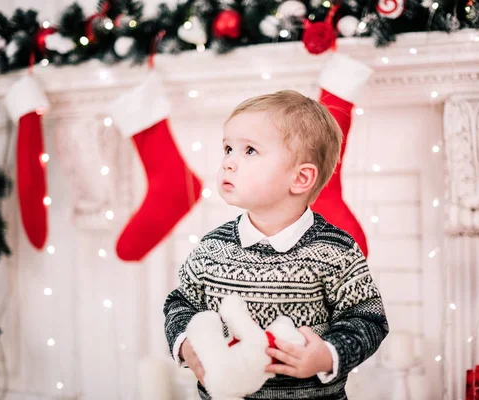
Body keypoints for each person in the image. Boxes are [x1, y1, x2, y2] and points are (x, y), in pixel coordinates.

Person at [164, 60, 388, 400]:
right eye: (228, 148)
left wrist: (328, 354)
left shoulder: (335, 250)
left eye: (249, 150)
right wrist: (185, 344)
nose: (228, 161)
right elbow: (181, 302)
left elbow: (367, 318)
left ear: (300, 178)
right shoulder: (212, 247)